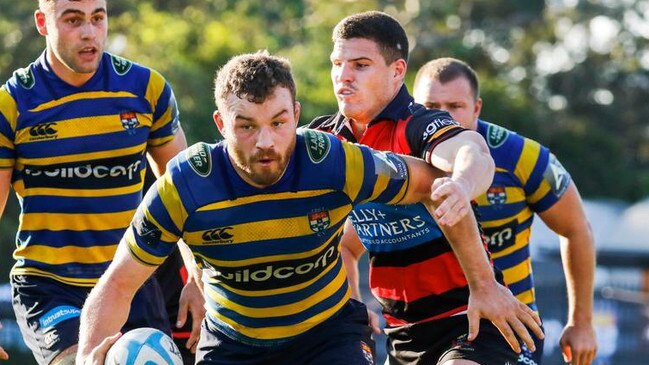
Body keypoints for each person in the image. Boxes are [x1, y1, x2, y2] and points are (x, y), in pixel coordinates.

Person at [75, 51, 502, 365]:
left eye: (279, 123)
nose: (266, 142)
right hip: (232, 344)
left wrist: (483, 284)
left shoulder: (332, 160)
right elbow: (116, 286)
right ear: (222, 124)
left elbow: (436, 184)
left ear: (296, 116)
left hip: (327, 337)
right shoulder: (184, 185)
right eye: (246, 126)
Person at [310, 11, 545, 365]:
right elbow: (345, 245)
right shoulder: (325, 139)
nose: (343, 76)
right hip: (399, 332)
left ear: (397, 70)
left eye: (360, 65)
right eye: (337, 63)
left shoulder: (418, 124)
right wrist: (352, 309)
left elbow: (473, 152)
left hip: (470, 321)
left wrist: (461, 186)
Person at [0, 1, 203, 363]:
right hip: (50, 286)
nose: (89, 32)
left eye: (98, 17)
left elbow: (182, 194)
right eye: (73, 20)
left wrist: (197, 276)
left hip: (130, 280)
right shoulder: (13, 103)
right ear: (43, 23)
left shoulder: (146, 90)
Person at [413, 57, 597, 365]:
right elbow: (349, 240)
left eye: (455, 106)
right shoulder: (394, 158)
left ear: (477, 108)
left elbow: (576, 228)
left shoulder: (521, 156)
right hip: (423, 327)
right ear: (414, 109)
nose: (443, 117)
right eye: (431, 106)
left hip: (509, 323)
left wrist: (582, 322)